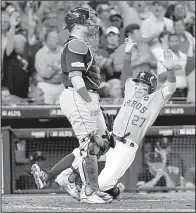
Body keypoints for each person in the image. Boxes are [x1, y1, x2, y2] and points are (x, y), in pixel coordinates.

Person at [32, 36, 177, 202]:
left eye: (144, 86)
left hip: (126, 149)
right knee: (82, 151)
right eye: (138, 84)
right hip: (111, 140)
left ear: (150, 89)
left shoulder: (154, 100)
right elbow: (127, 76)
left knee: (102, 184)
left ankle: (114, 189)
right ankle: (53, 176)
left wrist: (170, 69)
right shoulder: (131, 90)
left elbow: (171, 88)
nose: (139, 87)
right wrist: (128, 53)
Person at [31, 7, 115, 204]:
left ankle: (61, 176)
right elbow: (75, 77)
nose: (94, 23)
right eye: (89, 20)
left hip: (87, 96)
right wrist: (88, 101)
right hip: (79, 96)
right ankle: (89, 191)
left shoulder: (81, 44)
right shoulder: (75, 44)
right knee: (90, 144)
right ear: (77, 24)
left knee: (104, 143)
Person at [35, 30, 64, 105]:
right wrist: (58, 68)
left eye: (57, 38)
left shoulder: (63, 51)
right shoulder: (40, 54)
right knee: (46, 113)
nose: (57, 41)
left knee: (62, 113)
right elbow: (44, 74)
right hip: (46, 87)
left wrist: (52, 67)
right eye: (54, 39)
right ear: (47, 41)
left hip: (61, 86)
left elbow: (67, 69)